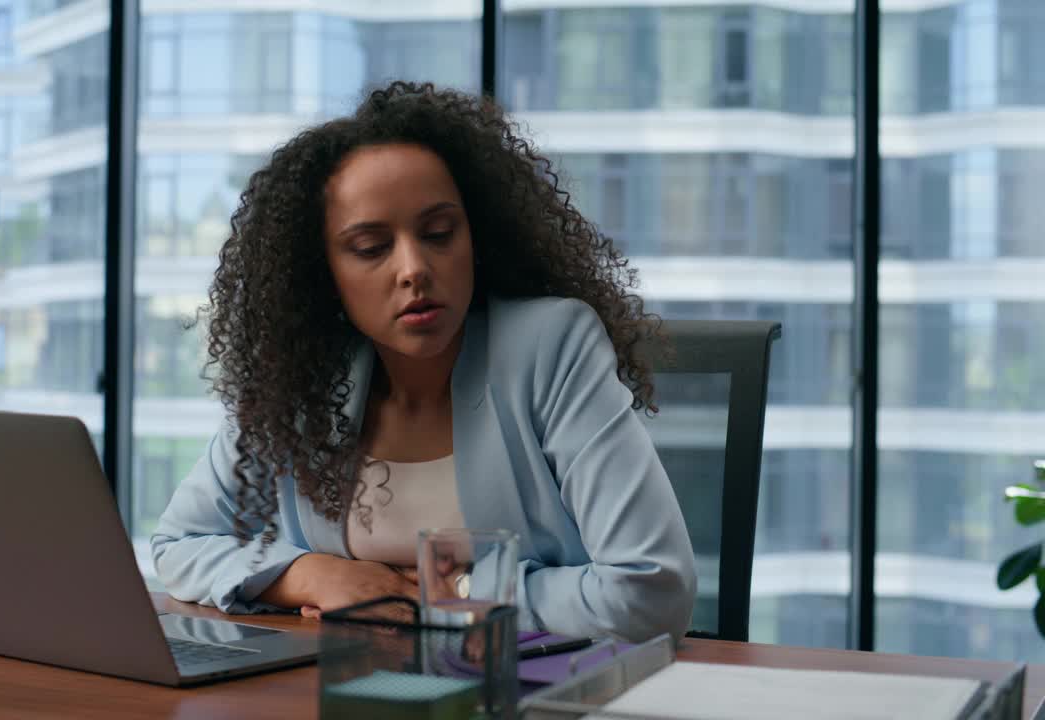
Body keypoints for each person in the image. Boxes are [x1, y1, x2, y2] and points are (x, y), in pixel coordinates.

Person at [151, 81, 696, 641]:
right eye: (370, 247)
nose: (414, 268)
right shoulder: (301, 379)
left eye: (439, 233)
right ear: (321, 273)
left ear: (477, 236)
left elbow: (653, 590)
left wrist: (452, 593)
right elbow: (178, 544)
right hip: (349, 681)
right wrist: (312, 575)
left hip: (524, 688)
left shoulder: (551, 346)